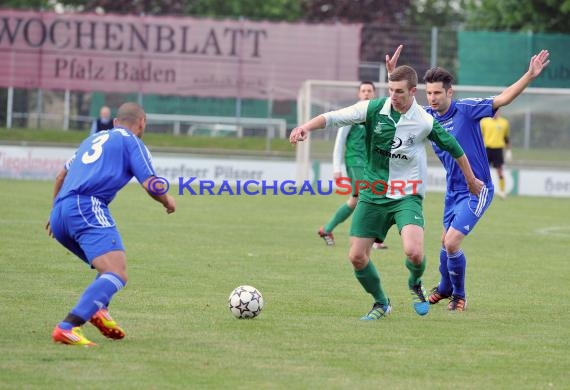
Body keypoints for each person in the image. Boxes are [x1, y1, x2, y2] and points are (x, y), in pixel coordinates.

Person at [290, 65, 483, 320]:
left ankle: (415, 282)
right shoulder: (373, 109)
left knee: (414, 253)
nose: (393, 95)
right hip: (373, 192)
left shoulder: (424, 121)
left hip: (407, 195)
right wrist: (306, 126)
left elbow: (455, 148)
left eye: (400, 91)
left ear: (413, 91)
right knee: (357, 257)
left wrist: (471, 180)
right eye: (391, 90)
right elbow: (334, 117)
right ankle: (382, 302)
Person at [386, 45, 549, 311]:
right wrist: (393, 76)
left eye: (438, 92)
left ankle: (459, 295)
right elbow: (402, 103)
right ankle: (444, 287)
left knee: (451, 242)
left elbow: (503, 98)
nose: (433, 98)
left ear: (450, 92)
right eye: (429, 93)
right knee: (444, 242)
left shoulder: (467, 109)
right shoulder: (426, 116)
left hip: (477, 188)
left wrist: (529, 75)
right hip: (453, 190)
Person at [47, 102, 176, 346]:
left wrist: (55, 213)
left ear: (115, 122)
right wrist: (167, 199)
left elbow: (60, 176)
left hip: (61, 211)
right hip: (86, 206)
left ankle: (100, 311)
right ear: (142, 123)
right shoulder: (132, 142)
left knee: (109, 265)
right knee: (116, 272)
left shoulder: (93, 139)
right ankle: (68, 326)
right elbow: (150, 183)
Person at [318, 81, 387, 250]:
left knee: (356, 200)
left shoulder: (376, 114)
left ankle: (327, 229)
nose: (366, 93)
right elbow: (340, 140)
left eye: (369, 91)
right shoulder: (352, 113)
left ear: (374, 93)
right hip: (354, 161)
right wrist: (336, 168)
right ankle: (371, 239)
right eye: (363, 90)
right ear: (359, 94)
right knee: (367, 196)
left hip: (369, 164)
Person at [480, 111, 512, 198]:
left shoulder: (504, 122)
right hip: (487, 149)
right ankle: (480, 190)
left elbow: (506, 138)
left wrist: (508, 151)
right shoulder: (484, 122)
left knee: (500, 170)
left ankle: (502, 191)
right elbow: (480, 136)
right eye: (494, 111)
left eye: (497, 111)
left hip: (498, 149)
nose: (495, 113)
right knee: (482, 170)